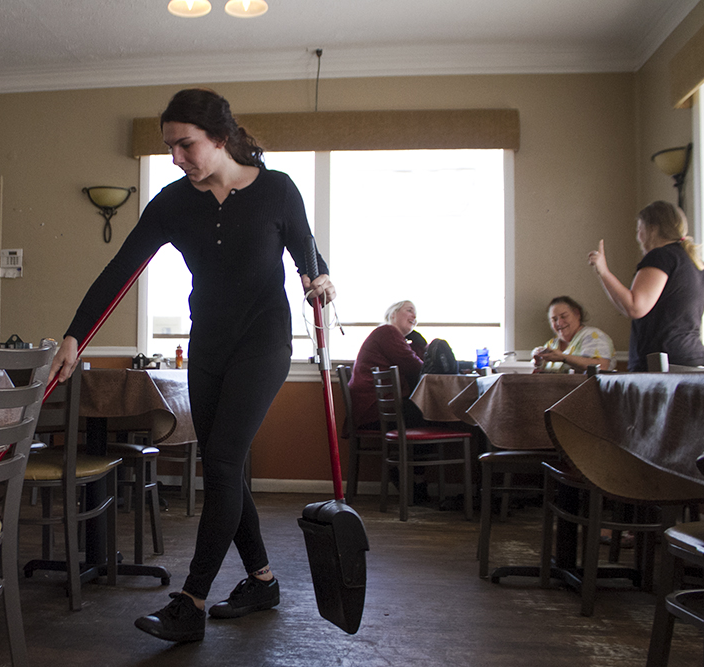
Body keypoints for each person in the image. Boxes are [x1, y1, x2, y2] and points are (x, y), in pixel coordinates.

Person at [46, 88, 335, 643]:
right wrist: (74, 337)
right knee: (226, 467)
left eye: (186, 145)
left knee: (222, 460)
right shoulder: (173, 203)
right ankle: (262, 580)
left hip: (264, 343)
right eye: (169, 147)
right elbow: (119, 271)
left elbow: (308, 254)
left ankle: (190, 601)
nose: (176, 158)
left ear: (220, 140)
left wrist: (320, 279)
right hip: (207, 346)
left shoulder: (276, 189)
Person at [588, 201, 704, 372]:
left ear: (652, 229)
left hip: (661, 368)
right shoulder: (698, 265)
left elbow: (635, 307)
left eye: (639, 230)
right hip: (694, 363)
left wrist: (604, 272)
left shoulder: (661, 257)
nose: (638, 237)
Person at [348, 300, 426, 430]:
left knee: (425, 409)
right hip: (375, 409)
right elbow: (416, 366)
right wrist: (422, 344)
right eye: (409, 310)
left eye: (415, 314)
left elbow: (417, 365)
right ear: (393, 315)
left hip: (375, 407)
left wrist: (417, 343)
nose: (414, 316)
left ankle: (416, 450)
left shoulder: (390, 336)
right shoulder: (388, 332)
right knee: (430, 412)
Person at [531, 296, 616, 373]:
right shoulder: (551, 344)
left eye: (564, 316)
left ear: (577, 314)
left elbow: (601, 367)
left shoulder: (594, 336)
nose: (559, 323)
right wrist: (538, 362)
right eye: (554, 319)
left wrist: (563, 358)